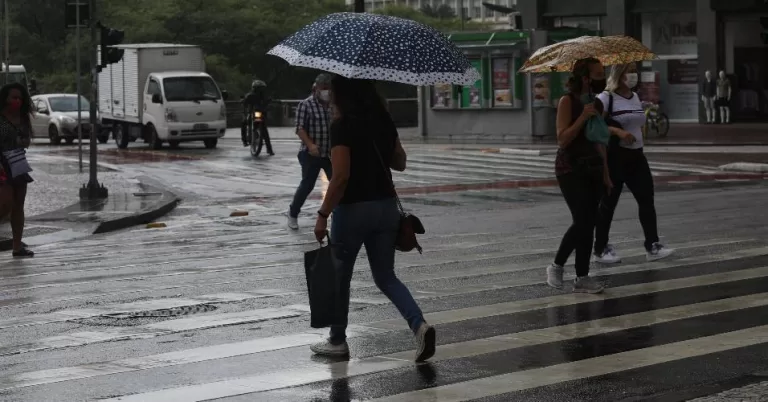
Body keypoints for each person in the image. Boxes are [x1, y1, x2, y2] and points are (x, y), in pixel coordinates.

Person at [311, 76, 435, 362]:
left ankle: (337, 341)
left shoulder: (342, 126)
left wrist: (322, 215)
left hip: (353, 209)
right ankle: (419, 325)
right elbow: (400, 163)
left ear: (341, 93)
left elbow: (340, 177)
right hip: (386, 208)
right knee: (386, 276)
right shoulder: (383, 120)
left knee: (341, 277)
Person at [593, 63, 674, 264]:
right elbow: (594, 125)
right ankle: (600, 248)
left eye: (635, 71)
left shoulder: (635, 97)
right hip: (615, 158)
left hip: (637, 157)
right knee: (608, 205)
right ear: (619, 75)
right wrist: (618, 132)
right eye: (629, 71)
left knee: (647, 200)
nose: (634, 75)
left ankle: (652, 245)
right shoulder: (606, 98)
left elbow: (636, 122)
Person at [546, 57, 611, 294]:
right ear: (584, 77)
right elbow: (562, 139)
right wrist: (582, 117)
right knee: (583, 221)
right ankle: (557, 265)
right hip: (569, 168)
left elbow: (600, 142)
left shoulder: (598, 104)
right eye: (597, 73)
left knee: (589, 223)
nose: (601, 77)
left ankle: (582, 277)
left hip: (593, 167)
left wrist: (606, 174)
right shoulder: (568, 101)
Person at [287, 74, 333, 230]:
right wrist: (310, 145)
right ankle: (293, 213)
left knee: (338, 183)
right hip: (310, 152)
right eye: (324, 88)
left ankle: (341, 215)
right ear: (316, 88)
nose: (326, 91)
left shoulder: (334, 105)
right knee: (307, 184)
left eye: (329, 88)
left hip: (330, 153)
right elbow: (299, 128)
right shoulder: (306, 105)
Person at [0, 82, 34, 258]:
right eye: (14, 97)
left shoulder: (23, 117)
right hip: (2, 163)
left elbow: (27, 140)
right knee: (5, 203)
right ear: (6, 98)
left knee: (19, 204)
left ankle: (17, 246)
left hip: (18, 162)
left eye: (20, 98)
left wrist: (23, 141)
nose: (17, 101)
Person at [240, 79, 274, 155]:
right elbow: (244, 102)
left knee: (263, 129)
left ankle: (245, 141)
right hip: (257, 113)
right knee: (264, 130)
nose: (260, 90)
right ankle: (269, 149)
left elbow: (244, 102)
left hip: (258, 113)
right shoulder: (253, 95)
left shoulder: (254, 95)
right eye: (259, 88)